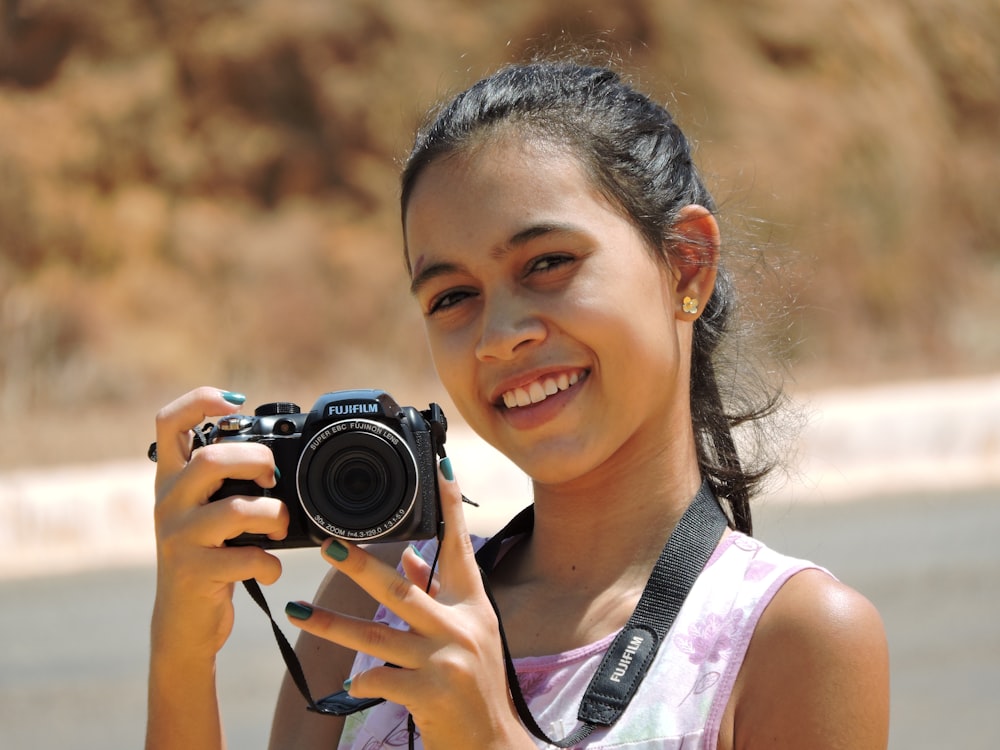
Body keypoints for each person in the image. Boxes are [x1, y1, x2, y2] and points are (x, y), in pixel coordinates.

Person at [146, 58, 890, 750]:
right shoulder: (384, 601)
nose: (499, 336)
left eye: (547, 263)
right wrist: (181, 649)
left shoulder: (793, 636)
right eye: (453, 296)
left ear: (686, 265)